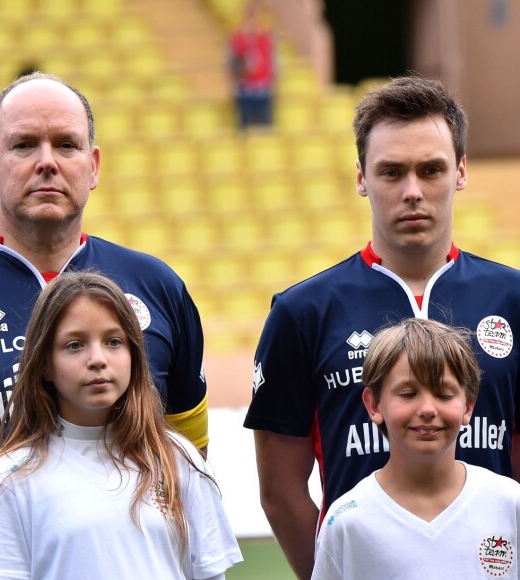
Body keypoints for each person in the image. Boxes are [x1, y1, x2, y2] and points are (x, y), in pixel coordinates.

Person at [244, 75, 520, 579]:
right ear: (361, 177)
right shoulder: (302, 312)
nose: (412, 192)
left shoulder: (514, 300)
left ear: (460, 170)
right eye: (391, 172)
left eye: (430, 170)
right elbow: (280, 492)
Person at [0, 72, 208, 579]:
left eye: (66, 144)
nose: (47, 161)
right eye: (24, 145)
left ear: (94, 165)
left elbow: (188, 453)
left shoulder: (158, 287)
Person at [0, 272, 242, 579]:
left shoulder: (178, 458)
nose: (97, 359)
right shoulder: (13, 477)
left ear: (134, 355)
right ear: (45, 365)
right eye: (75, 345)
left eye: (114, 342)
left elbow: (209, 575)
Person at [311, 318, 520, 579]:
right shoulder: (346, 520)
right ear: (374, 404)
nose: (428, 409)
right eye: (409, 394)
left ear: (468, 406)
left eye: (444, 394)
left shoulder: (510, 502)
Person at [228, 1, 276, 130]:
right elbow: (232, 66)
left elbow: (272, 64)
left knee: (265, 130)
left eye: (254, 17)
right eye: (249, 17)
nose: (252, 21)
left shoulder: (265, 39)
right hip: (245, 90)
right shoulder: (237, 39)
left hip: (262, 90)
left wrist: (271, 83)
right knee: (245, 130)